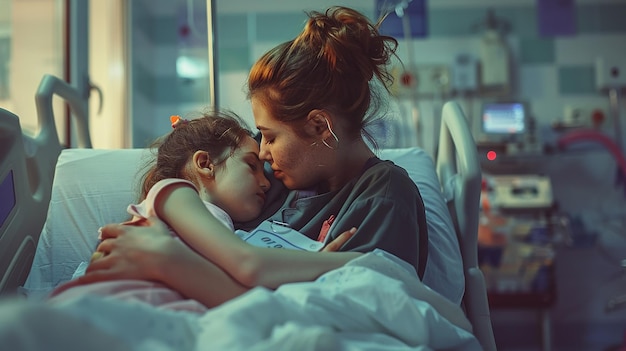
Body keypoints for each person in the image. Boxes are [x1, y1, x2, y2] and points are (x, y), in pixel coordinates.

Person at [62, 6, 438, 308]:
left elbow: (358, 313)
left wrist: (171, 264)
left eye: (271, 137)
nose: (262, 153)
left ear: (321, 127)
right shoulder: (271, 179)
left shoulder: (383, 198)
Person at [50, 111, 357, 310]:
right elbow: (249, 265)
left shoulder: (226, 231)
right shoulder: (172, 194)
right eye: (252, 166)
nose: (266, 183)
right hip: (111, 305)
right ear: (205, 163)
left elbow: (236, 295)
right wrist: (334, 263)